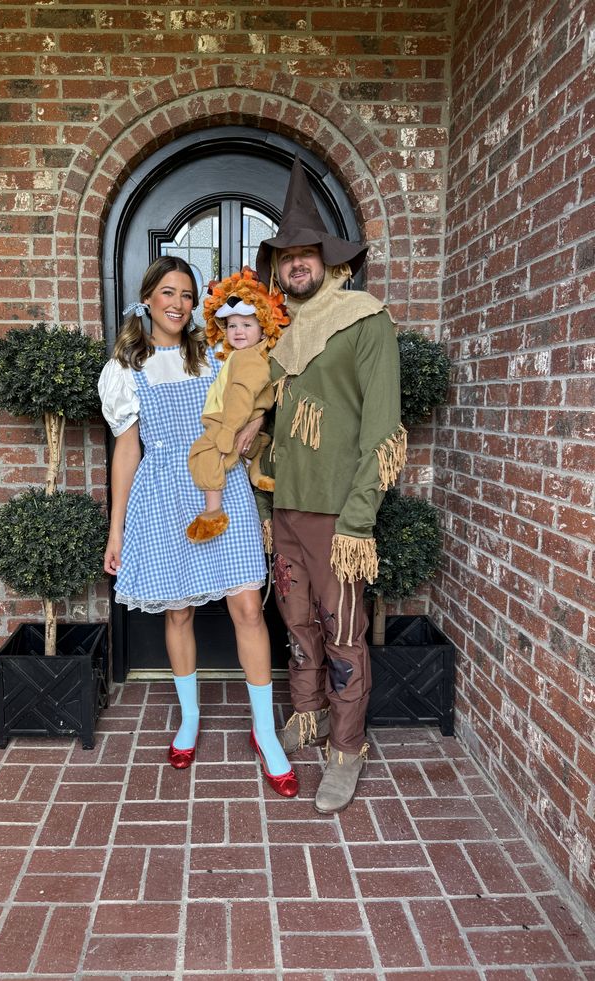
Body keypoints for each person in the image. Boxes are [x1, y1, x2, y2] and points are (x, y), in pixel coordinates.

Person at [99, 255, 298, 798]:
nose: (177, 303)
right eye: (167, 292)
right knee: (179, 610)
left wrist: (253, 425)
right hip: (162, 492)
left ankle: (264, 730)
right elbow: (125, 452)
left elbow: (262, 394)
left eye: (187, 295)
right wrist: (116, 532)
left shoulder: (215, 351)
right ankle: (189, 719)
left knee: (246, 606)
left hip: (222, 485)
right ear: (147, 298)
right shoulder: (126, 368)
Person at [254, 157, 407, 814]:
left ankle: (346, 748)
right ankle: (308, 714)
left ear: (327, 258)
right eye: (285, 255)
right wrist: (263, 504)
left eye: (305, 253)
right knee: (296, 625)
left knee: (343, 632)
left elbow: (384, 430)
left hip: (338, 516)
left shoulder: (366, 320)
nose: (295, 264)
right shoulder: (278, 335)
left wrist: (358, 517)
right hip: (286, 508)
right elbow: (267, 431)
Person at [186, 266, 288, 543]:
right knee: (244, 455)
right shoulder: (242, 355)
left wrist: (227, 433)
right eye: (232, 325)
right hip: (242, 422)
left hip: (229, 421)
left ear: (263, 327)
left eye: (247, 324)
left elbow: (241, 397)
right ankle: (259, 473)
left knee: (203, 455)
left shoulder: (247, 359)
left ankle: (213, 512)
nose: (238, 331)